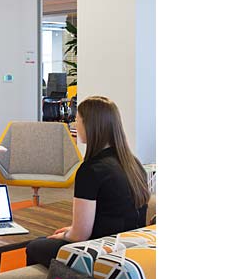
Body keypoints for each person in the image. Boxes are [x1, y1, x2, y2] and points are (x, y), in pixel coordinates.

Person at [25, 96, 151, 268]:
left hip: (96, 250)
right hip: (127, 247)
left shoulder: (91, 170)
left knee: (35, 246)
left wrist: (66, 235)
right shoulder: (132, 163)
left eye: (78, 120)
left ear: (91, 125)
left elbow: (80, 235)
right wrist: (70, 230)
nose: (76, 125)